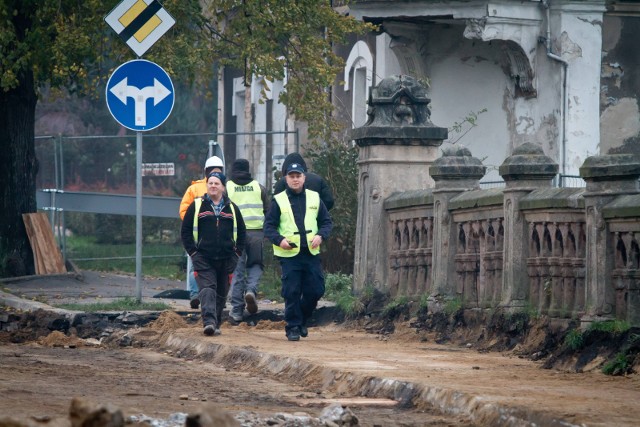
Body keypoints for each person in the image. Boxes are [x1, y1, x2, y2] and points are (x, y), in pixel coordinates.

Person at [264, 162, 333, 341]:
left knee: (316, 289)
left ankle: (302, 318)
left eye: (298, 176)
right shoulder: (278, 200)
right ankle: (293, 326)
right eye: (291, 176)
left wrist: (320, 236)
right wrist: (280, 240)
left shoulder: (314, 197)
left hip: (311, 252)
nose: (295, 179)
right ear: (286, 178)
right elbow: (269, 227)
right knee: (292, 291)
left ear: (304, 178)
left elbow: (326, 222)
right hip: (289, 254)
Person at [181, 171, 246, 336]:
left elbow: (242, 234)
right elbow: (186, 231)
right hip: (203, 257)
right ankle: (208, 321)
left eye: (217, 183)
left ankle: (215, 323)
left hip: (226, 258)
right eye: (210, 183)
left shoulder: (232, 208)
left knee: (221, 292)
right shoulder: (196, 206)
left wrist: (236, 255)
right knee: (208, 288)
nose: (213, 186)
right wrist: (193, 253)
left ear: (223, 187)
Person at [226, 159, 269, 322]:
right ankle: (251, 290)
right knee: (256, 265)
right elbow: (268, 210)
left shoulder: (227, 187)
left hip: (235, 235)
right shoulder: (259, 187)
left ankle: (237, 311)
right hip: (256, 233)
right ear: (248, 170)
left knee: (237, 270)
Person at [179, 156, 224, 309]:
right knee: (195, 265)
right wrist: (194, 221)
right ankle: (195, 295)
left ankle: (211, 297)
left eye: (218, 171)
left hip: (216, 235)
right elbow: (184, 210)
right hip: (198, 234)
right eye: (213, 170)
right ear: (206, 172)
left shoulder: (223, 188)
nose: (215, 173)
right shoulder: (194, 189)